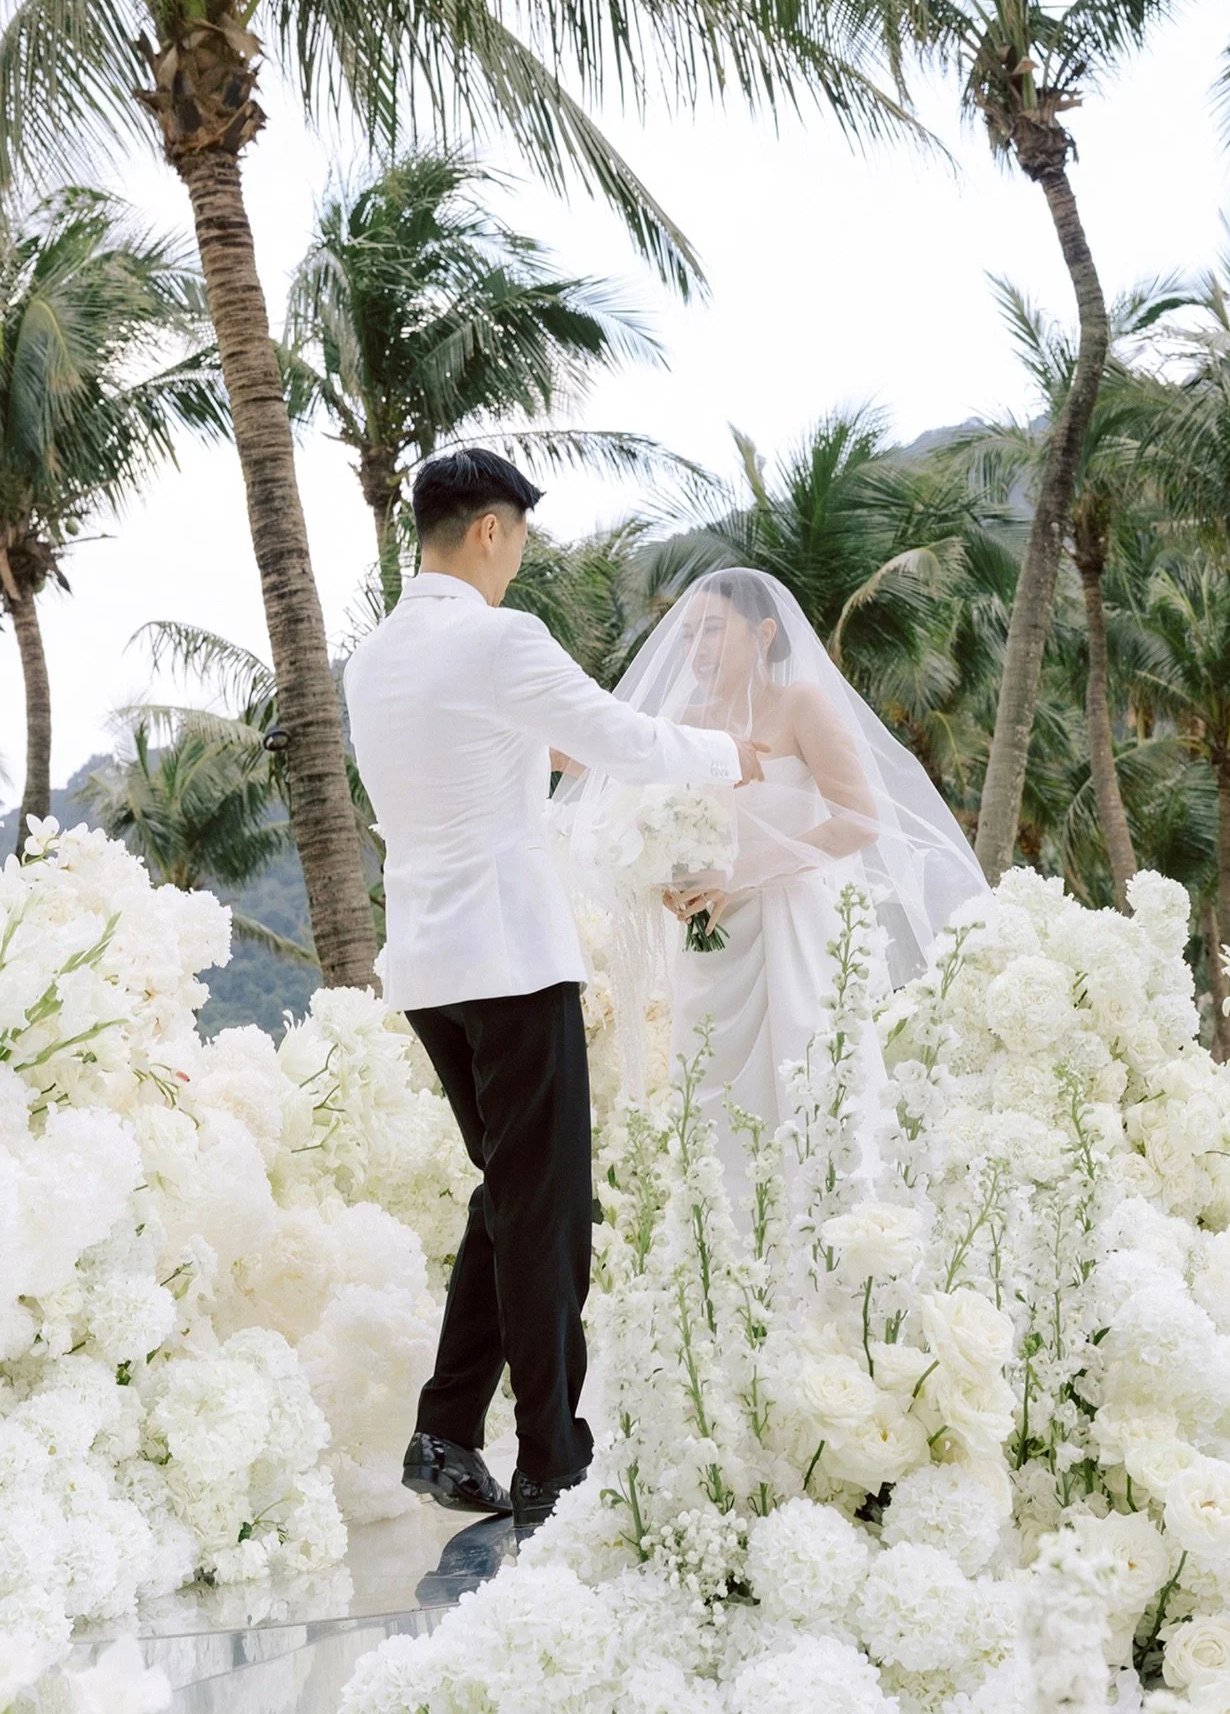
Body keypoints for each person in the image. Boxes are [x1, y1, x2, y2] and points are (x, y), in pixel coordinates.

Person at [343, 451, 766, 1533]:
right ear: (489, 530)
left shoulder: (377, 659)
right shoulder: (497, 638)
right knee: (551, 1208)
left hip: (430, 965)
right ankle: (551, 1455)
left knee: (511, 1189)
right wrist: (731, 754)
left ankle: (446, 1430)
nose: (521, 557)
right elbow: (618, 737)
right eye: (521, 536)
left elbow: (495, 761)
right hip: (511, 958)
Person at [553, 567, 991, 1204]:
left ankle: (833, 1239)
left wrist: (742, 873)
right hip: (709, 941)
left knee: (808, 1083)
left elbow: (860, 820)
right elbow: (610, 761)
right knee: (713, 1093)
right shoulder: (685, 719)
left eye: (711, 631)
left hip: (794, 928)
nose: (696, 648)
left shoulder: (801, 705)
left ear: (761, 633)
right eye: (687, 636)